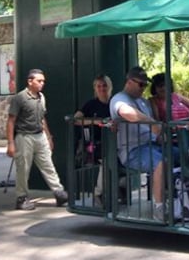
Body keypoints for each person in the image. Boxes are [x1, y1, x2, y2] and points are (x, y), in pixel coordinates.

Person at [111, 66, 178, 222]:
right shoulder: (119, 99)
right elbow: (127, 112)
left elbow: (154, 129)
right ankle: (159, 207)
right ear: (129, 82)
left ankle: (184, 198)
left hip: (152, 144)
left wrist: (160, 134)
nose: (143, 88)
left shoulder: (143, 101)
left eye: (145, 85)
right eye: (140, 84)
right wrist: (151, 122)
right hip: (133, 150)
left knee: (182, 154)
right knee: (159, 163)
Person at [6, 69, 68, 211]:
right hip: (24, 137)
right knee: (23, 168)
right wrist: (10, 143)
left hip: (40, 136)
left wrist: (48, 136)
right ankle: (21, 198)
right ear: (30, 81)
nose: (42, 83)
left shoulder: (41, 97)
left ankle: (59, 193)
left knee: (48, 165)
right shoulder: (19, 98)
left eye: (43, 81)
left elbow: (42, 118)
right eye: (39, 81)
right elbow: (11, 121)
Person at [73, 75, 112, 204]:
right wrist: (94, 122)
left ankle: (120, 188)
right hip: (95, 143)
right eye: (99, 86)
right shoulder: (90, 104)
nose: (102, 88)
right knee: (107, 161)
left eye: (104, 85)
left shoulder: (114, 103)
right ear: (95, 88)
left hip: (115, 141)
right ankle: (99, 193)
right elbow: (76, 119)